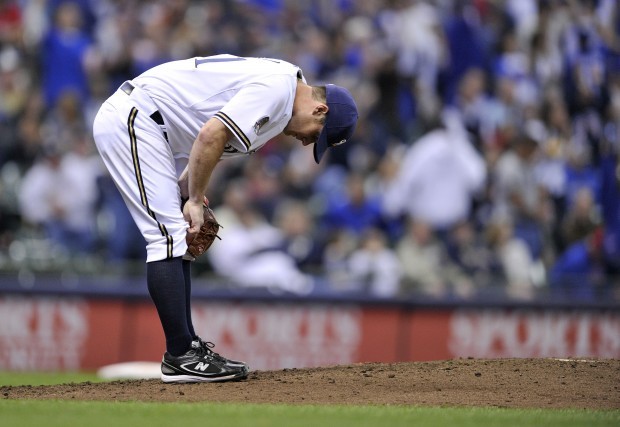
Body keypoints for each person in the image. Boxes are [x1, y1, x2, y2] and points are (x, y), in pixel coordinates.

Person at [92, 54, 358, 383]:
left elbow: (212, 143)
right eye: (317, 135)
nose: (308, 142)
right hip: (134, 118)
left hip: (154, 128)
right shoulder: (278, 91)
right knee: (166, 237)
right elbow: (209, 135)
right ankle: (181, 354)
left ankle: (186, 349)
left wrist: (188, 192)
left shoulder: (282, 95)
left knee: (182, 237)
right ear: (321, 110)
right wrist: (192, 200)